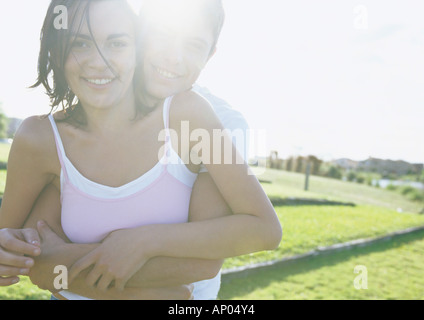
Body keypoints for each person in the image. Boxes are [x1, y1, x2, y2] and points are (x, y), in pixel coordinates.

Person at [0, 0, 281, 300]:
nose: (173, 58)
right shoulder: (46, 139)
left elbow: (205, 263)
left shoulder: (207, 118)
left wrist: (139, 242)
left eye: (116, 43)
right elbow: (31, 249)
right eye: (81, 43)